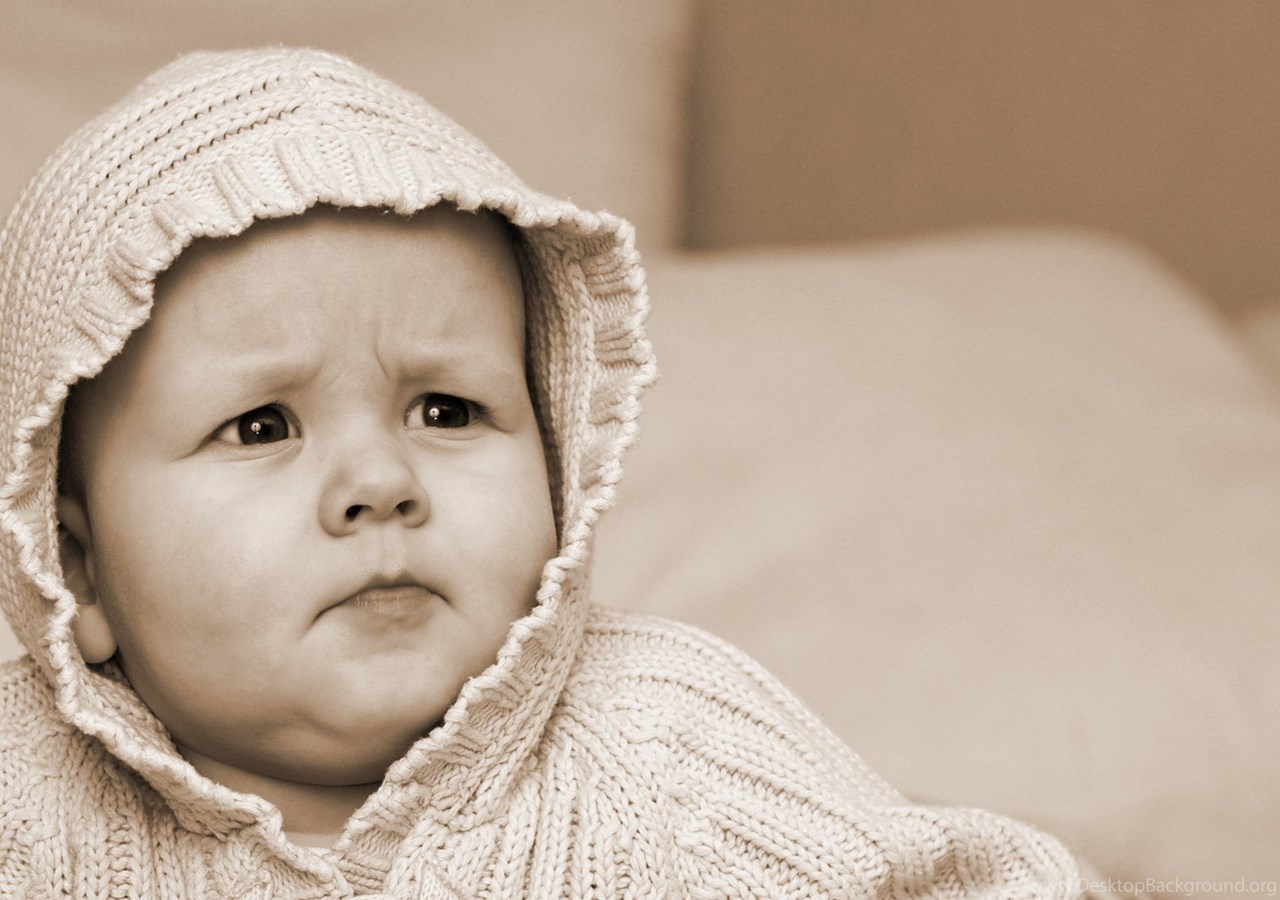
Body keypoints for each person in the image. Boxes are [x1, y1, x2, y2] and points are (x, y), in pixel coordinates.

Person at [0, 47, 1080, 897]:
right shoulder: (22, 800)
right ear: (75, 569)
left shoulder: (669, 748)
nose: (380, 481)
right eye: (261, 426)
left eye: (446, 410)